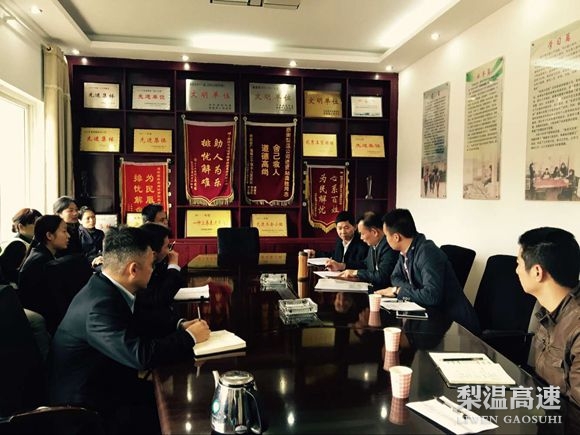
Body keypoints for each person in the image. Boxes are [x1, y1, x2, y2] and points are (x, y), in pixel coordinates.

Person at [48, 226, 210, 434]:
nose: (153, 270)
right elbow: (141, 356)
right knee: (177, 413)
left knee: (176, 401)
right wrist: (190, 337)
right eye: (151, 265)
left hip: (111, 382)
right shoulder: (98, 307)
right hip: (86, 408)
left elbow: (141, 318)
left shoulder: (106, 286)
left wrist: (178, 324)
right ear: (133, 269)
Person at [374, 209, 480, 335]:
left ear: (396, 237)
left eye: (386, 235)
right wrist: (415, 291)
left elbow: (431, 296)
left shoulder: (427, 252)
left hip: (457, 327)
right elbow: (395, 277)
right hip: (434, 319)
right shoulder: (405, 251)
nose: (386, 239)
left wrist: (398, 291)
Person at [516, 227, 580, 407]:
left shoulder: (576, 326)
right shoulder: (549, 309)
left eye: (518, 263)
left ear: (537, 272)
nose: (517, 271)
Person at [18, 215, 93, 334]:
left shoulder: (42, 253)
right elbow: (52, 303)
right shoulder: (42, 262)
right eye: (64, 231)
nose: (68, 235)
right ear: (49, 235)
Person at [134, 222, 184, 338]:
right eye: (167, 247)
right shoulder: (140, 272)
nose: (169, 251)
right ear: (153, 253)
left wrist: (179, 323)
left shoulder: (158, 263)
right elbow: (161, 297)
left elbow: (177, 283)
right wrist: (173, 265)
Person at [338, 211, 398, 289]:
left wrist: (356, 272)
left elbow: (382, 276)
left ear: (374, 232)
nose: (361, 238)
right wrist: (343, 266)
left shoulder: (389, 246)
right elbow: (365, 263)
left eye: (362, 234)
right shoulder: (373, 244)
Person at [0, 208, 42, 285]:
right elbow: (11, 275)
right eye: (35, 224)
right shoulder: (17, 245)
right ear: (21, 226)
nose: (40, 227)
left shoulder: (25, 242)